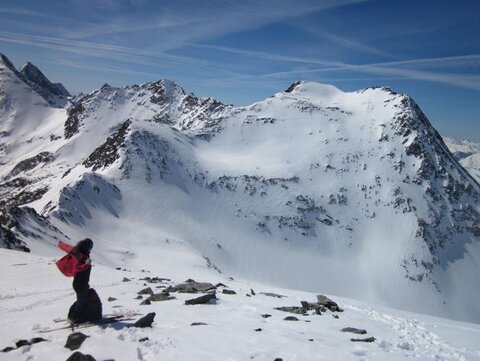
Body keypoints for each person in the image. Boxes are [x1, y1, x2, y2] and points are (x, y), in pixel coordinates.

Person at [57, 238, 94, 322]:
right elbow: (78, 268)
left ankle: (75, 316)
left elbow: (68, 248)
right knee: (81, 302)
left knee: (81, 300)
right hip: (81, 284)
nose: (91, 249)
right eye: (90, 246)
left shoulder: (76, 251)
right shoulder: (82, 256)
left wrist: (60, 244)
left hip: (79, 283)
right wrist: (86, 264)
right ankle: (73, 318)